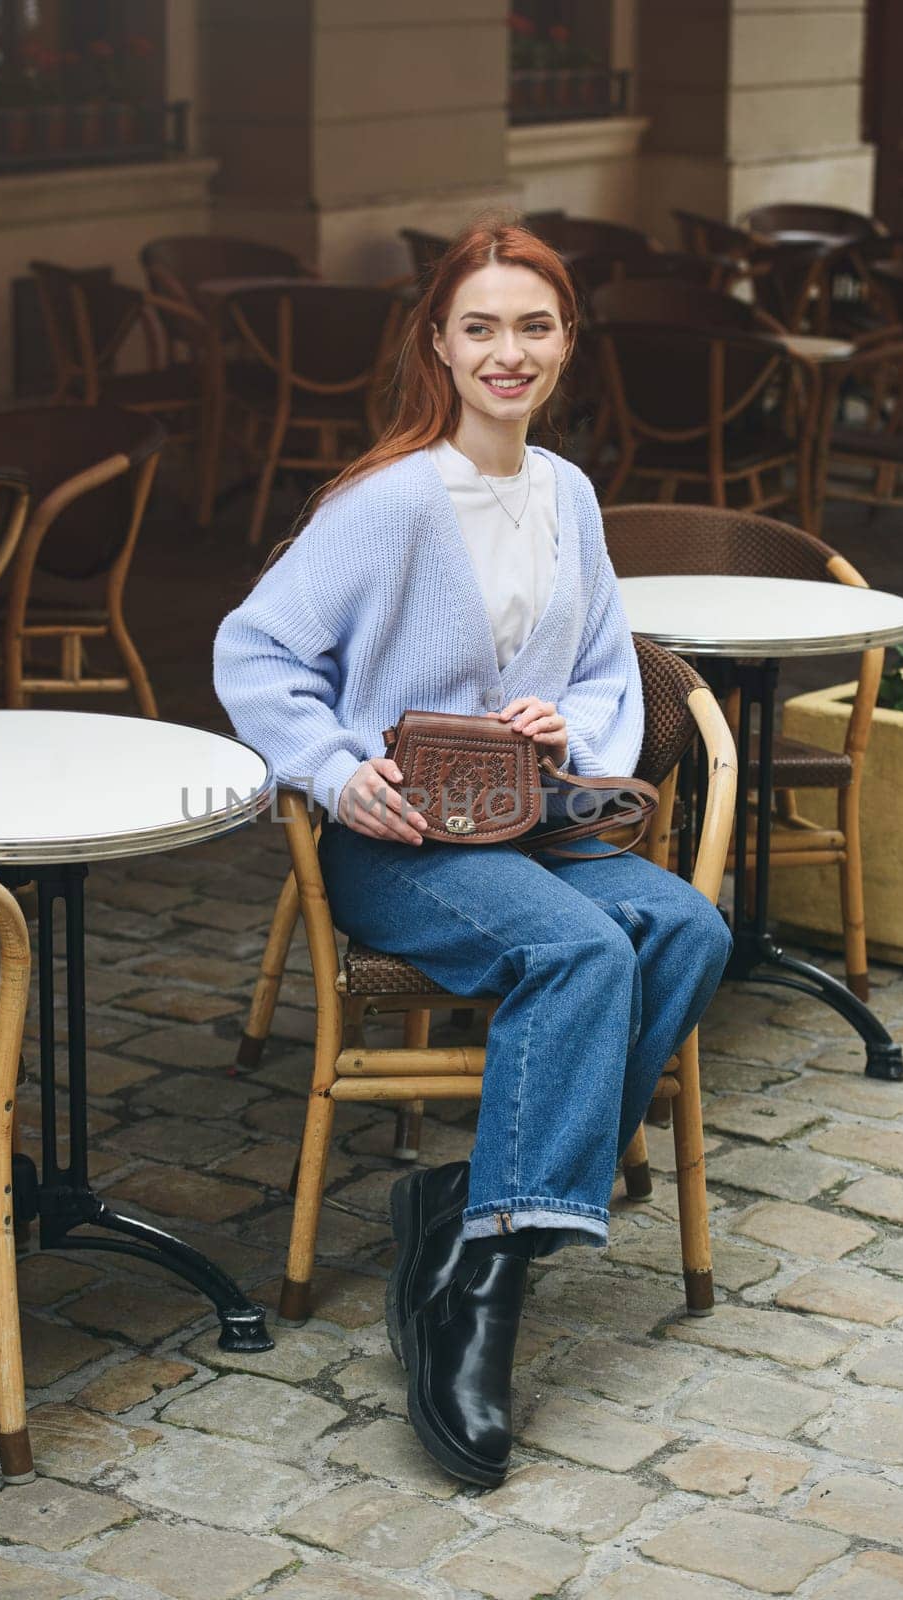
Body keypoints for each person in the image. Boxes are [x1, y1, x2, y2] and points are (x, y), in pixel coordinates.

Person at [214, 219, 732, 1489]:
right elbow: (253, 652)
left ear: (568, 343)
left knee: (688, 928)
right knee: (576, 951)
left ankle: (465, 1223)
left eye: (536, 326)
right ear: (439, 344)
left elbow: (609, 671)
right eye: (482, 327)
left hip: (534, 824)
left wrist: (572, 723)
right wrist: (339, 773)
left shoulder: (569, 492)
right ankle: (480, 1296)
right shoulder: (387, 500)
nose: (511, 352)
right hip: (400, 845)